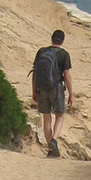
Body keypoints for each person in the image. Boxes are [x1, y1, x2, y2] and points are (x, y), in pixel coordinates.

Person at [31, 29, 73, 157]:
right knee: (60, 115)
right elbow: (67, 76)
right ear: (62, 40)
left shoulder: (42, 52)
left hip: (42, 88)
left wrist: (34, 91)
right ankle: (54, 140)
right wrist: (71, 93)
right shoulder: (64, 54)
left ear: (52, 39)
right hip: (56, 88)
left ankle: (50, 150)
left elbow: (35, 72)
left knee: (46, 118)